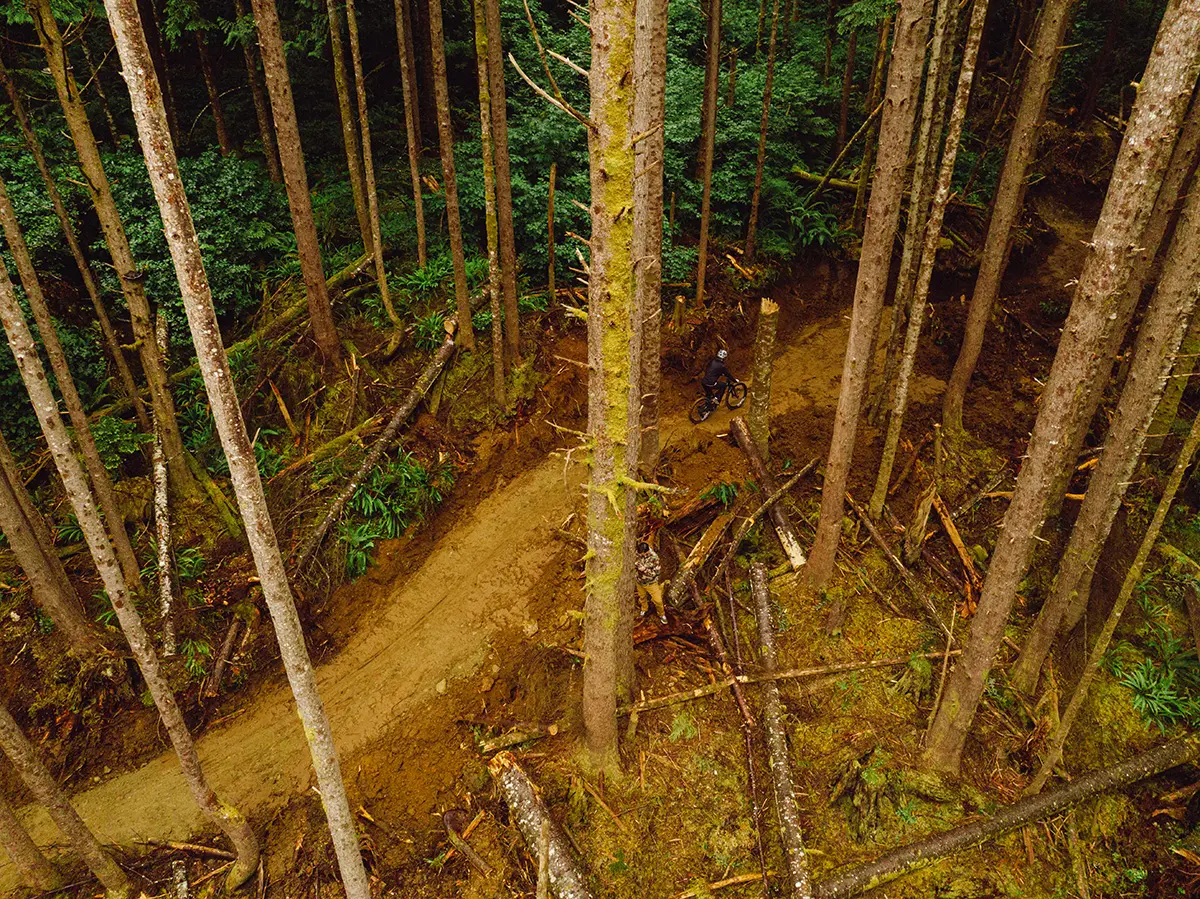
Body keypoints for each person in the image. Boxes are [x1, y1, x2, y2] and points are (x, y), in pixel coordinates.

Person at [635, 541, 667, 624]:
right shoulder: (638, 553)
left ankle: (661, 614)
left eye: (643, 554)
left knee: (658, 601)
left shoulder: (654, 558)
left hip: (651, 583)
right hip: (640, 582)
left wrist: (644, 570)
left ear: (647, 551)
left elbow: (656, 573)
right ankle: (644, 609)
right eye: (640, 554)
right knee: (642, 597)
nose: (642, 556)